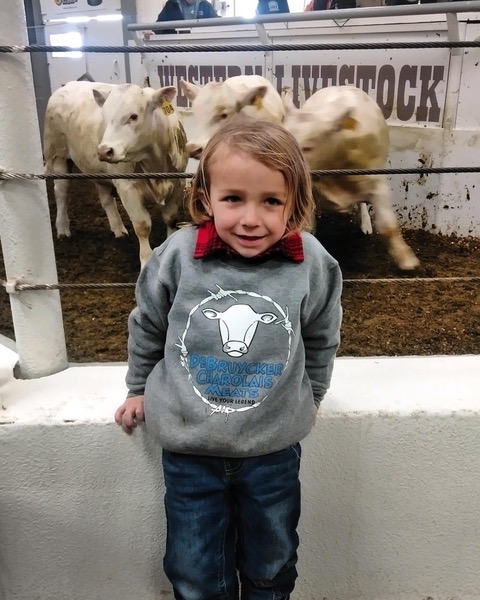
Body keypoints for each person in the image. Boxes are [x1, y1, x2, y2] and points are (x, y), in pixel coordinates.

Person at [115, 118, 343, 600]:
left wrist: (314, 396)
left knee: (273, 560)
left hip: (272, 449)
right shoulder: (178, 256)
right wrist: (137, 388)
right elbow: (149, 324)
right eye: (233, 198)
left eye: (271, 201)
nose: (250, 219)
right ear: (205, 198)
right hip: (189, 448)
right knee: (194, 568)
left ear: (295, 203)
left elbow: (322, 334)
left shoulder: (313, 264)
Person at [153, 0, 218, 34]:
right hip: (176, 47)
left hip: (200, 47)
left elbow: (217, 23)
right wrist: (153, 32)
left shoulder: (205, 5)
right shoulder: (171, 4)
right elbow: (160, 24)